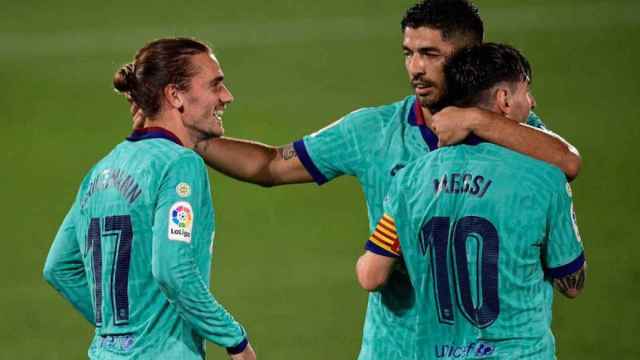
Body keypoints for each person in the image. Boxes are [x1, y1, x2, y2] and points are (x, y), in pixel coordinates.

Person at [130, 1, 582, 358]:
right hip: (395, 350)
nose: (415, 68)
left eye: (430, 54)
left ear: (469, 58)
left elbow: (566, 160)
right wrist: (183, 134)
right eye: (408, 53)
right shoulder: (373, 131)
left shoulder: (513, 132)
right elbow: (270, 166)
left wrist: (476, 122)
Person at [356, 43, 586, 359]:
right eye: (526, 92)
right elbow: (571, 283)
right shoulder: (545, 177)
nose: (531, 102)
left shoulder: (411, 179)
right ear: (504, 100)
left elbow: (371, 273)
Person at [43, 38, 256, 360]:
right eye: (215, 85)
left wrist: (124, 330)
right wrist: (234, 339)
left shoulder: (103, 168)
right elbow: (173, 268)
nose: (227, 97)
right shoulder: (180, 164)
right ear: (175, 95)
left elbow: (59, 267)